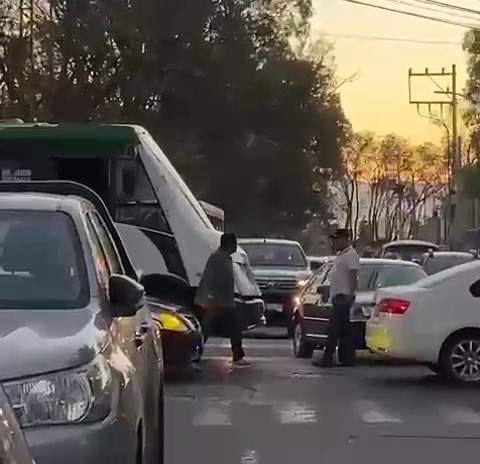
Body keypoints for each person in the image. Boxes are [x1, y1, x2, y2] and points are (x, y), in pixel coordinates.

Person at [195, 233, 250, 367]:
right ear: (229, 244)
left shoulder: (223, 257)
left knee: (212, 328)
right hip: (216, 302)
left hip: (222, 301)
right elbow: (215, 281)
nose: (236, 247)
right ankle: (194, 353)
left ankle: (195, 354)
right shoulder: (218, 258)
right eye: (234, 244)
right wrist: (215, 300)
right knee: (209, 328)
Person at [313, 228, 360, 368]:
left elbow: (353, 276)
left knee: (333, 330)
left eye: (337, 240)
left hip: (343, 297)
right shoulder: (342, 255)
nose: (335, 243)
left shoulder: (351, 255)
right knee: (344, 331)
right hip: (338, 297)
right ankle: (347, 359)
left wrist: (350, 295)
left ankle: (327, 360)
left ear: (345, 239)